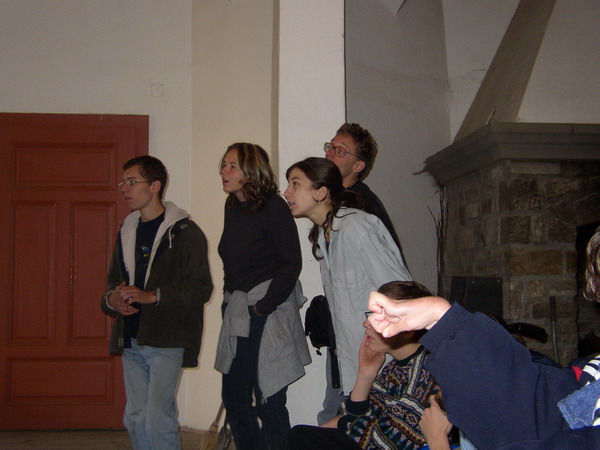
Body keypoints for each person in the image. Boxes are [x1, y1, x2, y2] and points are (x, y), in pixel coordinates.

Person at [366, 227, 600, 449]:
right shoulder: (588, 379)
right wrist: (442, 320)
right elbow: (528, 416)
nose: (366, 323)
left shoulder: (420, 375)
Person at [284, 157, 411, 424]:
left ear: (321, 192)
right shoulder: (324, 236)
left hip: (382, 360)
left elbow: (400, 291)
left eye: (295, 184)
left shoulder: (357, 227)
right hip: (352, 357)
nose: (287, 192)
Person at [101, 155, 213, 450]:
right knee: (135, 417)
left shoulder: (186, 233)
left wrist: (154, 295)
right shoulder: (127, 230)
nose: (124, 188)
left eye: (132, 181)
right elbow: (113, 283)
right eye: (123, 182)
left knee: (157, 417)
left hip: (167, 339)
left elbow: (201, 288)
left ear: (155, 186)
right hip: (131, 337)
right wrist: (112, 299)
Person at [215, 143, 311, 450]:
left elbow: (291, 263)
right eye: (224, 164)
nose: (224, 171)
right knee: (235, 398)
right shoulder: (233, 205)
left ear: (251, 171)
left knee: (269, 399)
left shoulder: (273, 206)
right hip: (238, 312)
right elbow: (232, 261)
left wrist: (263, 307)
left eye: (232, 166)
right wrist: (228, 303)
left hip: (265, 313)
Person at [281, 281, 444, 449]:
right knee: (301, 437)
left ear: (408, 330)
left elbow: (383, 442)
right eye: (371, 315)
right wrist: (366, 373)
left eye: (380, 317)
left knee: (300, 437)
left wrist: (344, 423)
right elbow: (347, 415)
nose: (366, 323)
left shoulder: (428, 373)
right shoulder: (395, 367)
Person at [323, 123, 401, 250]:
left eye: (340, 151)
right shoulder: (333, 196)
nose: (330, 153)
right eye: (331, 146)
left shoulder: (363, 206)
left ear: (358, 166)